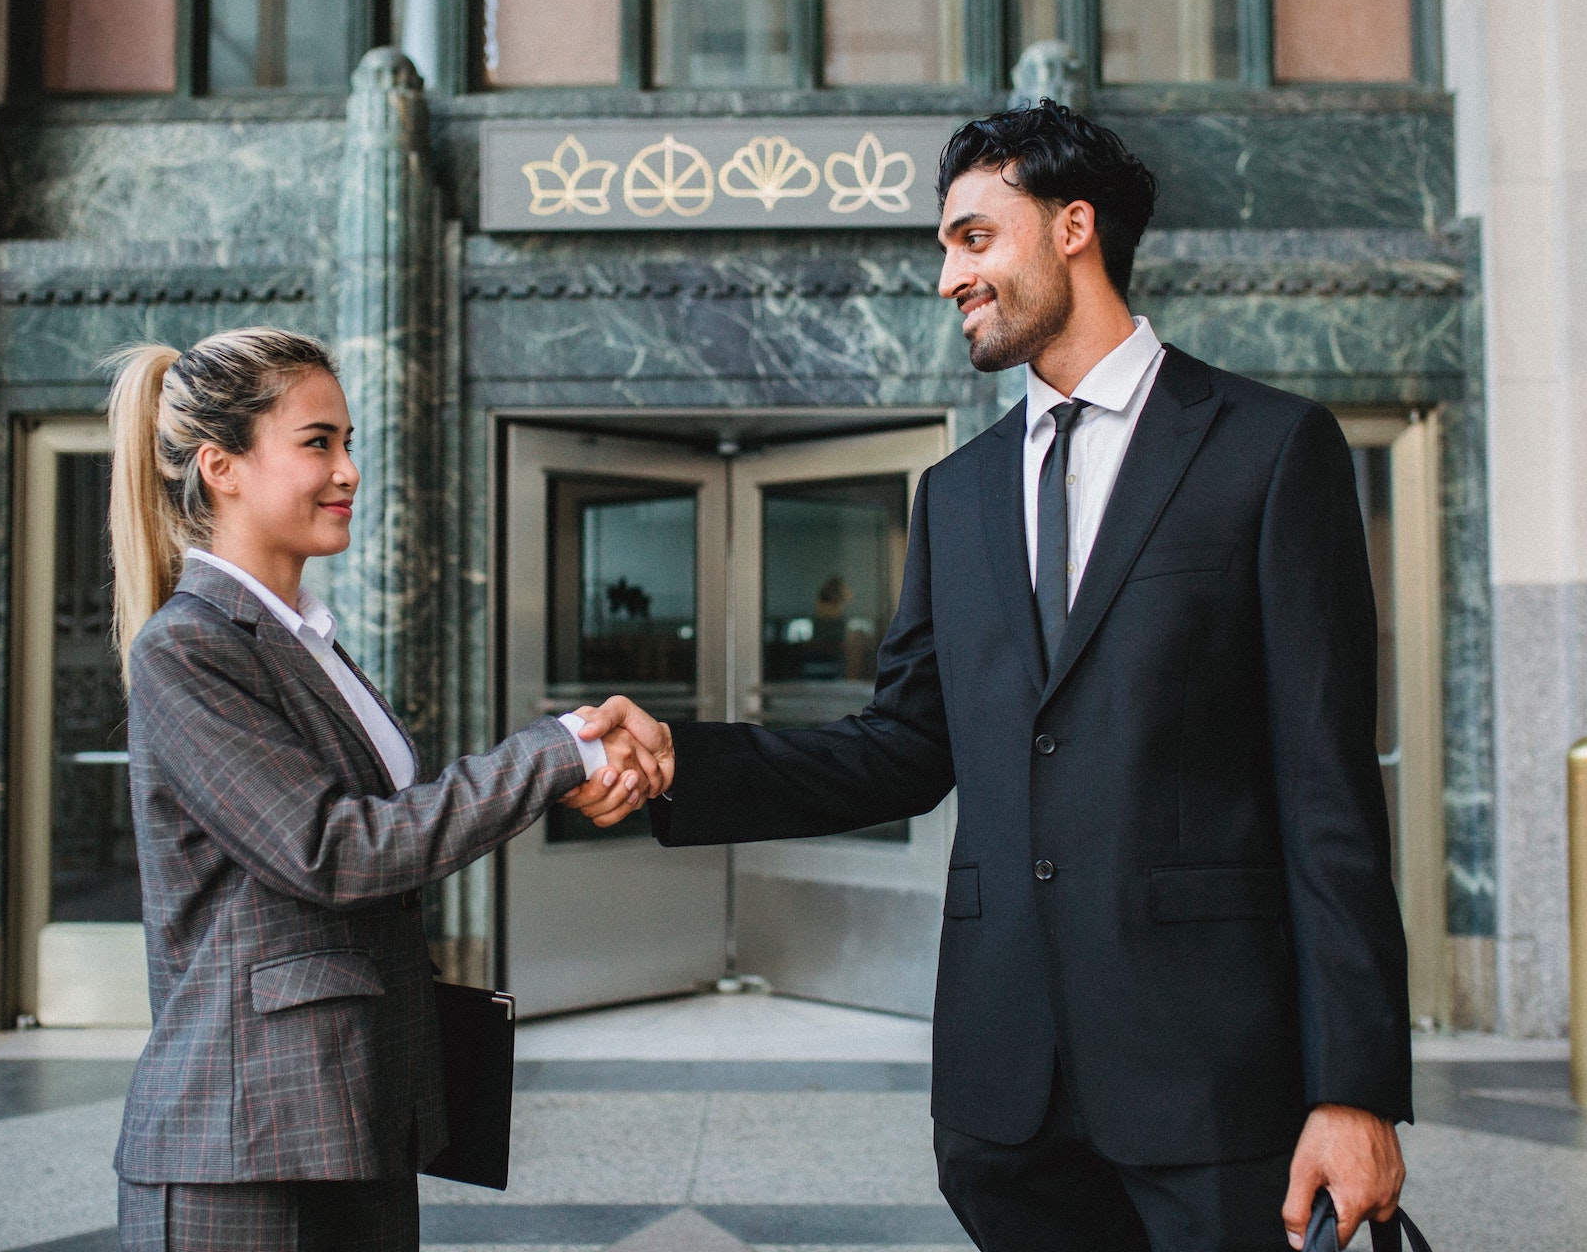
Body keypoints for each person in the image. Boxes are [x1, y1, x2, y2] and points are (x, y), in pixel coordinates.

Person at [578, 102, 1413, 1252]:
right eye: (944, 246)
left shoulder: (1269, 450)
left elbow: (1327, 787)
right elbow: (905, 746)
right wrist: (686, 763)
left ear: (1074, 229)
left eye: (974, 238)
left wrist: (1354, 1086)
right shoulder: (958, 494)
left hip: (1209, 1079)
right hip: (1005, 1097)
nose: (945, 277)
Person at [105, 328, 653, 1252]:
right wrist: (555, 754)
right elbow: (336, 849)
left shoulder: (301, 641)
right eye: (318, 442)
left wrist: (557, 767)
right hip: (242, 1148)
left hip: (346, 1113)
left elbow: (383, 831)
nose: (349, 469)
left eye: (347, 441)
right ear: (221, 466)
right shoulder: (187, 649)